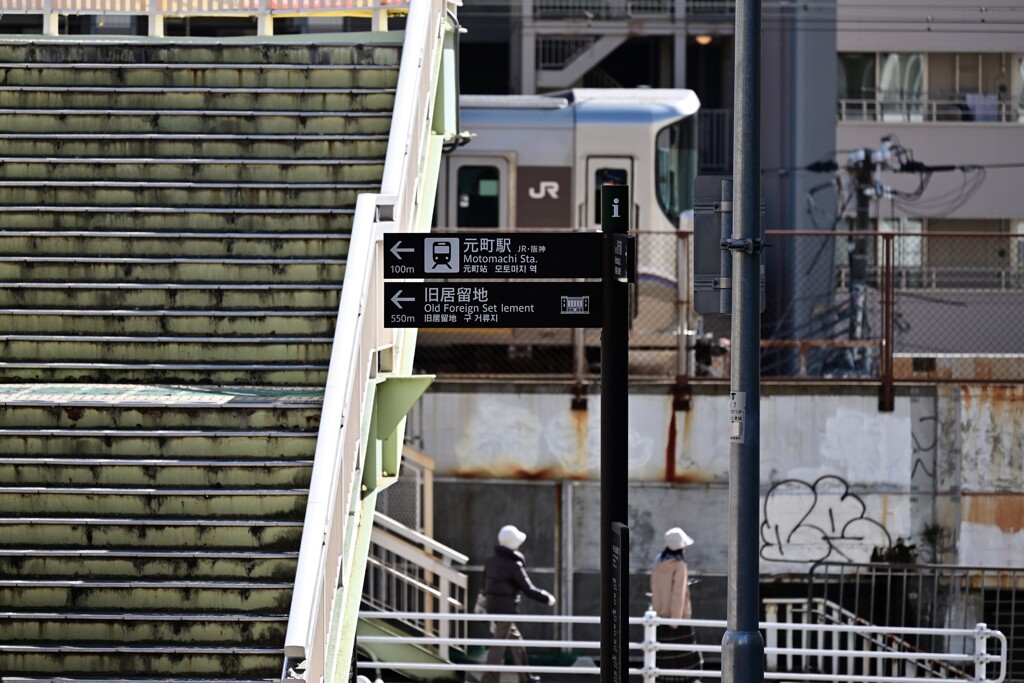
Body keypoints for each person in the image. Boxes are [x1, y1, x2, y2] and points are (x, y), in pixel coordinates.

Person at [481, 524, 555, 683]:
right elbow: (527, 588)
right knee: (498, 645)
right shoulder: (513, 565)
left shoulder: (491, 561)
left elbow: (484, 585)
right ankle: (490, 679)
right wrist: (546, 598)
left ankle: (525, 676)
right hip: (506, 610)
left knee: (516, 642)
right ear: (513, 544)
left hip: (494, 607)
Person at [650, 526, 702, 681]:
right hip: (677, 619)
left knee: (662, 658)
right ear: (681, 546)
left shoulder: (658, 563)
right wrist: (676, 620)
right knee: (685, 658)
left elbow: (655, 587)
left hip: (659, 616)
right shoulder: (680, 566)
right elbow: (678, 594)